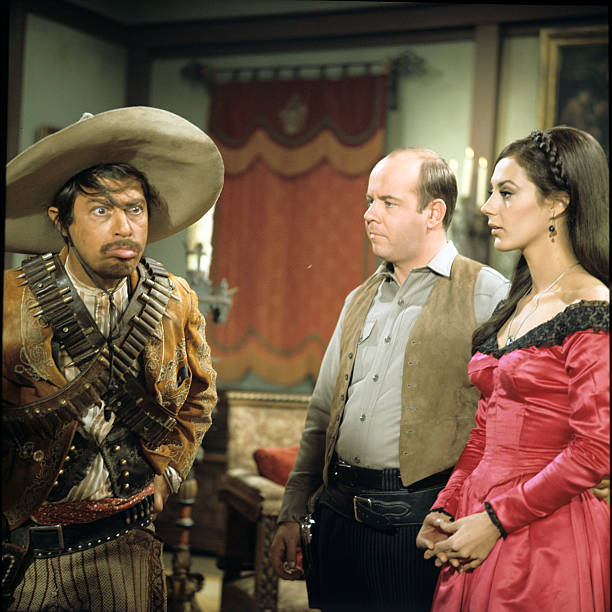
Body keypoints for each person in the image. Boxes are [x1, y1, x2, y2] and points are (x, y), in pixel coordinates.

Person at [2, 107, 224, 611]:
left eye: (135, 209)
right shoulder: (10, 301)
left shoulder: (175, 300)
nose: (124, 227)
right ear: (61, 221)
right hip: (25, 551)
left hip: (126, 543)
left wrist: (168, 473)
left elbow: (199, 396)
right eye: (101, 211)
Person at [269, 148, 510, 612]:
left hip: (417, 531)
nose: (369, 214)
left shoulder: (486, 293)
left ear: (433, 212)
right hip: (337, 521)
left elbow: (504, 424)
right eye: (369, 201)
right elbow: (321, 415)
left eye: (388, 203)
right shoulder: (359, 298)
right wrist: (292, 512)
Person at [417, 126, 609, 611]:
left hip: (543, 530)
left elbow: (595, 450)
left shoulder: (591, 305)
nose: (487, 207)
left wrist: (497, 519)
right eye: (491, 193)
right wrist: (445, 505)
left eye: (506, 193)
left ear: (556, 204)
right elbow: (483, 434)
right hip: (475, 516)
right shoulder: (517, 305)